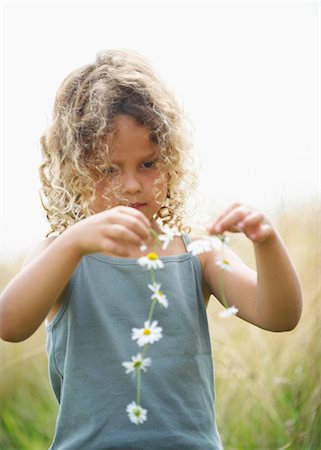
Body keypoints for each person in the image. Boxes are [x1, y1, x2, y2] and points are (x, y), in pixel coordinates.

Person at [0, 49, 302, 450]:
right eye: (108, 169)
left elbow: (278, 315)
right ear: (76, 170)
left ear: (171, 159)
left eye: (148, 164)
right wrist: (73, 241)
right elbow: (10, 324)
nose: (131, 185)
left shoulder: (197, 252)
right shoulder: (64, 253)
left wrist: (267, 243)